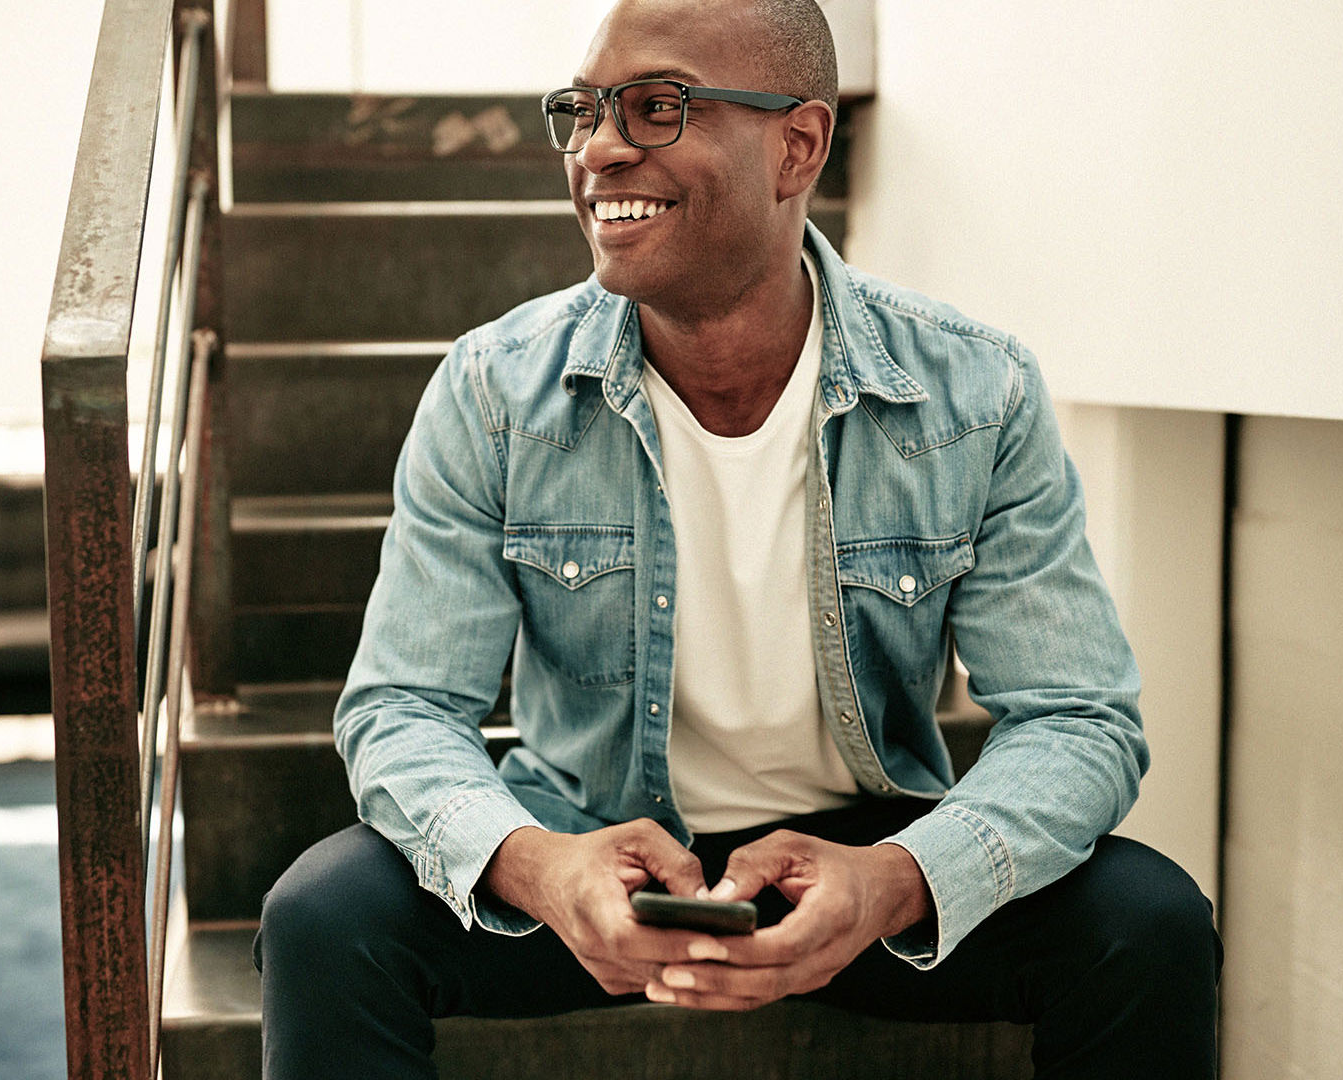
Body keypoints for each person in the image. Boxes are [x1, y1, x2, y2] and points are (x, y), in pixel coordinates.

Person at [256, 0, 1221, 1075]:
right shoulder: (496, 391)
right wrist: (538, 867)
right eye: (583, 111)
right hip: (591, 845)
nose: (600, 147)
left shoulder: (974, 391)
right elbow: (401, 708)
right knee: (323, 918)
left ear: (797, 146)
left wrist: (897, 878)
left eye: (658, 107)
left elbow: (1079, 719)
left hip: (861, 852)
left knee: (1151, 921)